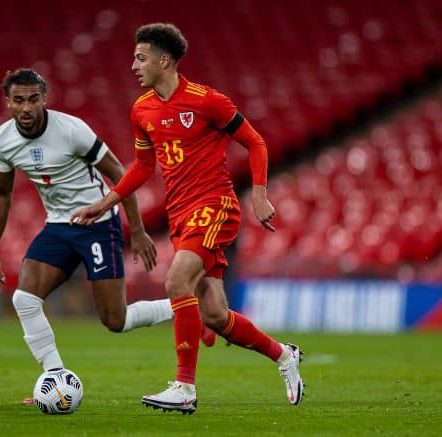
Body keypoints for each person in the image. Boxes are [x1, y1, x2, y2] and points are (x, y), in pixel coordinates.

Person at [70, 23, 304, 414]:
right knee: (214, 314)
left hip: (215, 207)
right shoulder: (141, 110)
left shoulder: (206, 100)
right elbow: (143, 167)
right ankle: (284, 356)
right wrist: (104, 202)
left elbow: (255, 142)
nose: (133, 65)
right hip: (181, 217)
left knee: (177, 279)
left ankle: (184, 388)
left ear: (164, 61)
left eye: (140, 58)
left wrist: (260, 195)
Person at [0, 68, 176, 391]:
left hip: (99, 224)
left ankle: (185, 306)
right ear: (8, 103)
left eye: (34, 99)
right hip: (58, 226)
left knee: (116, 320)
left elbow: (120, 174)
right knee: (25, 300)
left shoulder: (72, 131)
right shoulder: (2, 141)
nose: (27, 108)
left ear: (45, 99)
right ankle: (56, 376)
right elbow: (2, 194)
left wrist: (139, 231)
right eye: (19, 101)